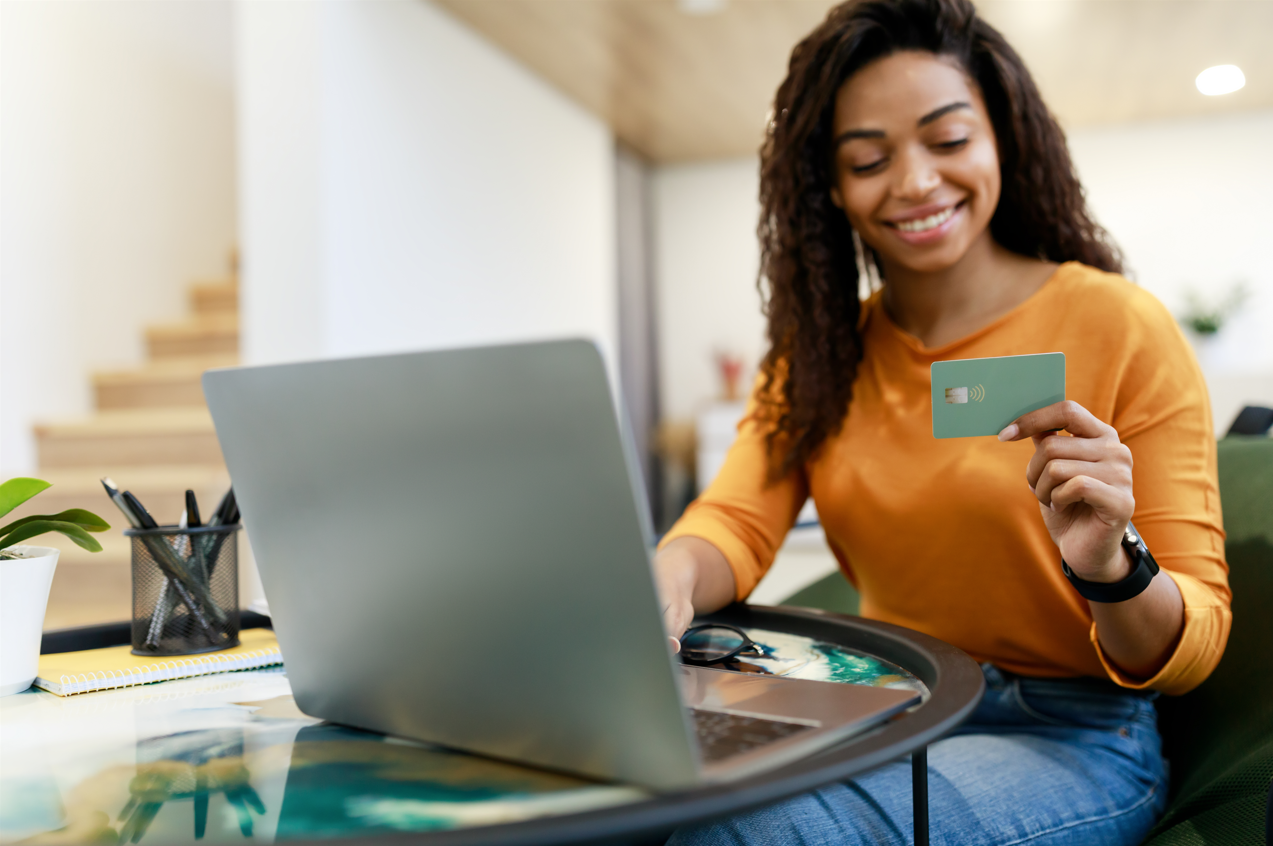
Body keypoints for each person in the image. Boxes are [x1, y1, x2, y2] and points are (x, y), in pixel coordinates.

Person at [653, 0, 1232, 843]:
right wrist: (665, 578)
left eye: (948, 140)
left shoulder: (1119, 326)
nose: (915, 181)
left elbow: (1196, 642)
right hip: (887, 700)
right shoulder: (819, 354)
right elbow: (735, 521)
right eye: (867, 158)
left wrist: (1108, 565)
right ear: (830, 183)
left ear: (1003, 138)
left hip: (1066, 733)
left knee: (748, 835)